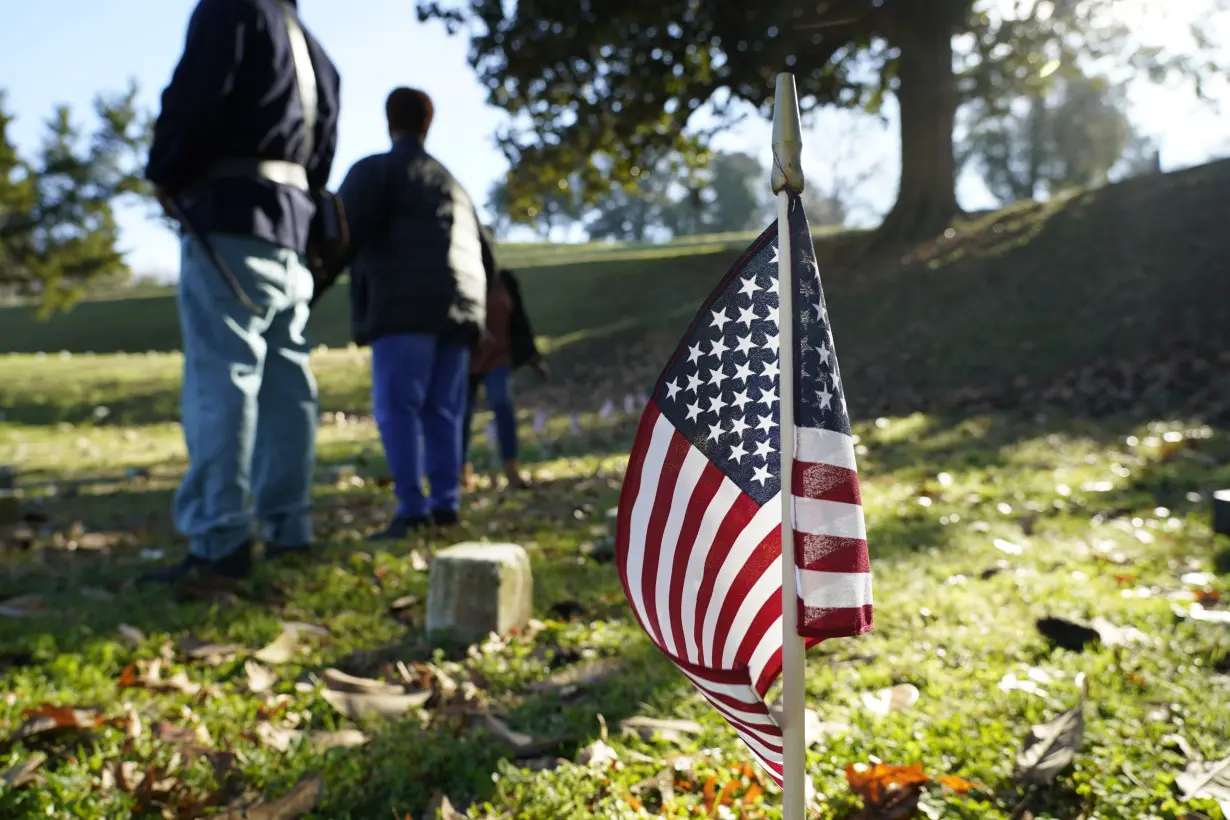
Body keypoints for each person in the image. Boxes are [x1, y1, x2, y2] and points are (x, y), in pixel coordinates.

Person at [140, 0, 341, 584]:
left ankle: (220, 537)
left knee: (222, 376)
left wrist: (164, 171)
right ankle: (288, 527)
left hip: (230, 216)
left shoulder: (231, 9)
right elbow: (323, 147)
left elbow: (197, 94)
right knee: (286, 382)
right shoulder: (314, 48)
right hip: (292, 225)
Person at [319, 87, 496, 539]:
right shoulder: (454, 184)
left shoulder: (375, 171)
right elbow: (486, 252)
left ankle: (412, 508)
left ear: (388, 120)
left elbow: (341, 234)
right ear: (428, 123)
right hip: (459, 309)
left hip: (402, 307)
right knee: (444, 409)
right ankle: (445, 504)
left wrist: (308, 288)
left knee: (398, 408)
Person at [462, 268, 548, 491]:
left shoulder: (505, 281)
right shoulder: (462, 274)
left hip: (498, 358)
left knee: (502, 403)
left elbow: (519, 319)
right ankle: (460, 472)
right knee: (461, 414)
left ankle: (511, 469)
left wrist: (533, 359)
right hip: (465, 359)